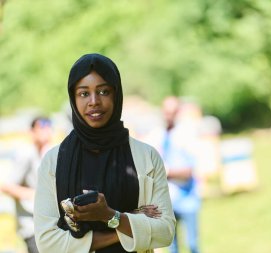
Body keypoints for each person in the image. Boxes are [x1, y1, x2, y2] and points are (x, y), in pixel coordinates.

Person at [33, 53, 175, 253]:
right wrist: (128, 226)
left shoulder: (146, 157)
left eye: (103, 91)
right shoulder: (54, 161)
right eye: (83, 93)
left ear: (116, 95)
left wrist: (109, 215)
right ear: (73, 98)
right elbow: (48, 243)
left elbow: (165, 232)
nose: (93, 102)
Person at [146, 96, 201, 253]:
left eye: (172, 112)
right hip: (167, 201)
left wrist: (166, 172)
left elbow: (189, 171)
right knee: (172, 246)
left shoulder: (186, 135)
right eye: (165, 112)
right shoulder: (158, 135)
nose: (168, 116)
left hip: (187, 199)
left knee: (193, 244)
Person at [0, 116, 53, 253]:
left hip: (49, 224)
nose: (45, 131)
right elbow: (6, 186)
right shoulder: (26, 154)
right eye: (40, 128)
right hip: (31, 227)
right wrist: (32, 195)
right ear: (32, 132)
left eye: (48, 127)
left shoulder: (51, 153)